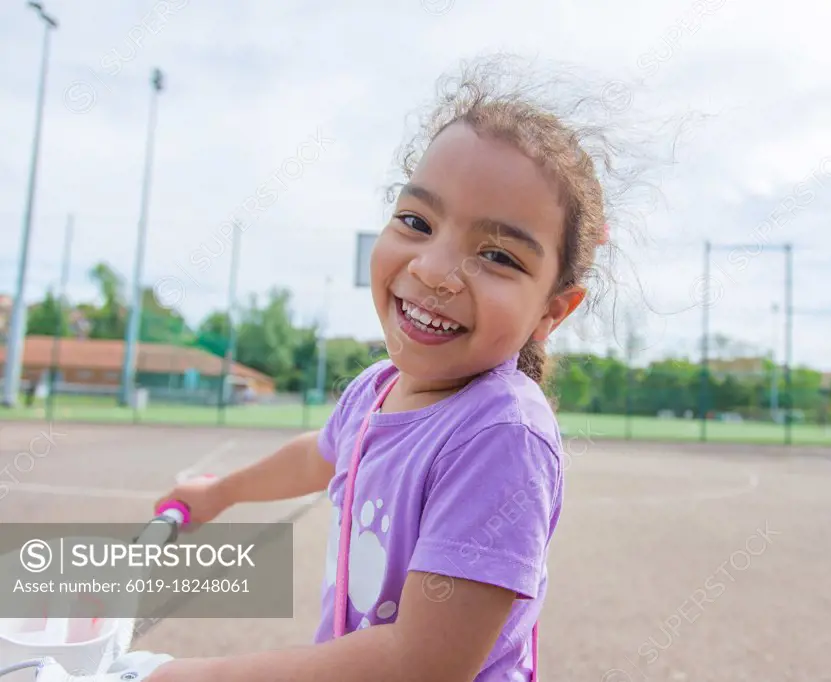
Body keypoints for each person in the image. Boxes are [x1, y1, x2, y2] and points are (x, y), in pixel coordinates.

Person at [149, 57, 622, 682]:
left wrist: (171, 675)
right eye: (417, 222)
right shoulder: (378, 388)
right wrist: (220, 492)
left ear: (552, 311)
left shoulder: (500, 434)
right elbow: (322, 454)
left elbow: (420, 662)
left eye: (498, 255)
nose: (432, 268)